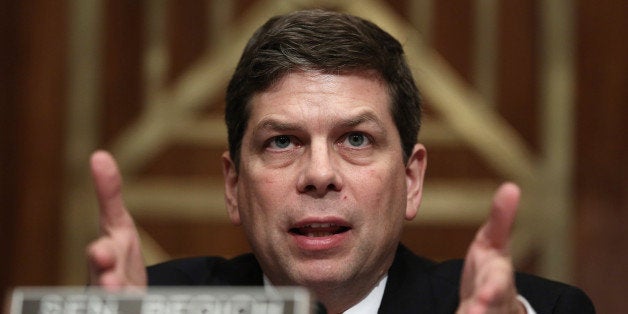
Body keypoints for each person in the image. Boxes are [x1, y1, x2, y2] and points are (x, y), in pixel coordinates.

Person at [87, 9, 594, 313]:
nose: (320, 175)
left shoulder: (531, 310)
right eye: (282, 142)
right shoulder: (156, 306)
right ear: (233, 185)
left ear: (412, 179)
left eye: (355, 139)